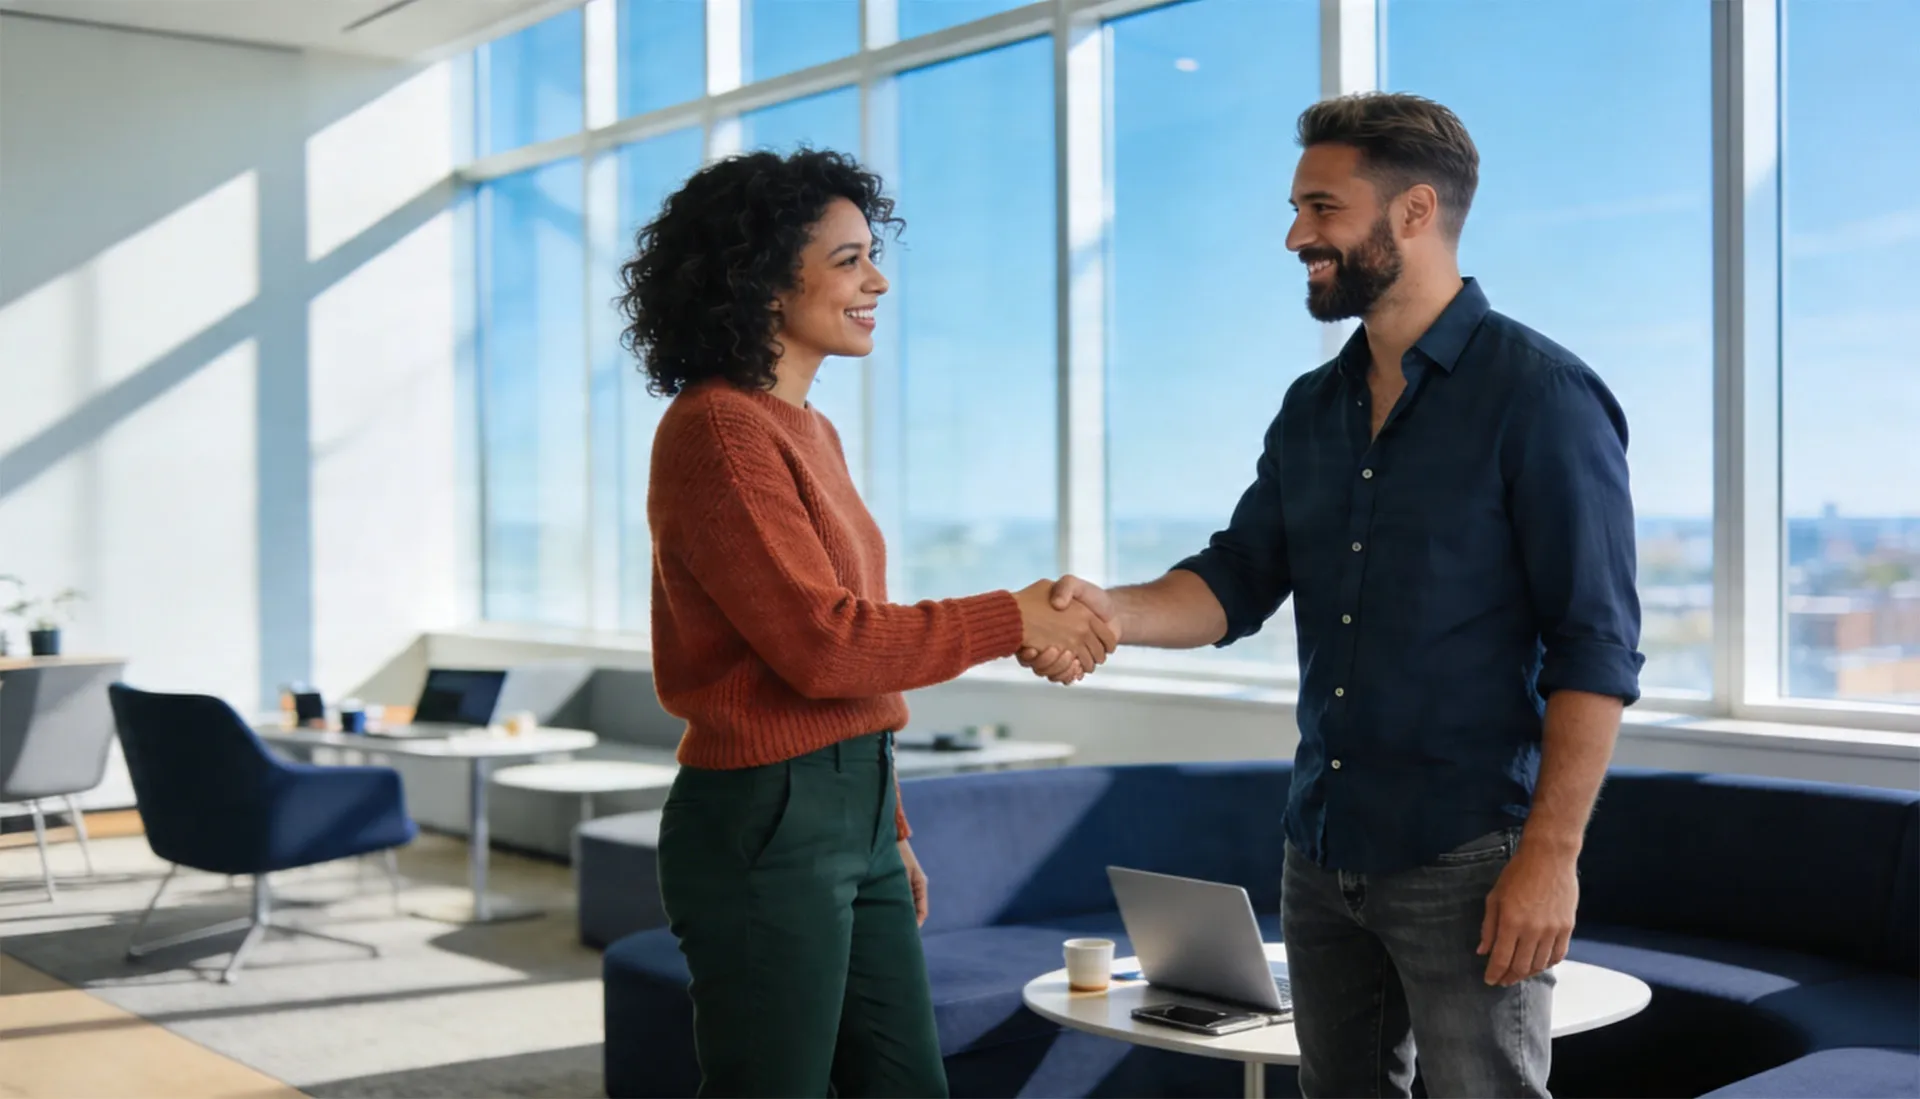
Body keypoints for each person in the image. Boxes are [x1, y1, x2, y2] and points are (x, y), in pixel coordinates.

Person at [1021, 93, 1644, 1097]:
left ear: (1413, 212)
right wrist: (1109, 611)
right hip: (1322, 844)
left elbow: (1596, 648)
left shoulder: (1540, 397)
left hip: (1468, 852)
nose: (1295, 235)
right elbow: (1236, 579)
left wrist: (1551, 858)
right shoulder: (1312, 409)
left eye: (1322, 207)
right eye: (1296, 207)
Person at [620, 148, 1118, 1099]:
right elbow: (828, 642)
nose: (876, 279)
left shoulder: (805, 430)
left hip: (854, 813)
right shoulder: (720, 429)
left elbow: (843, 653)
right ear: (763, 279)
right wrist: (1011, 617)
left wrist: (884, 825)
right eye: (848, 260)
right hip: (767, 817)